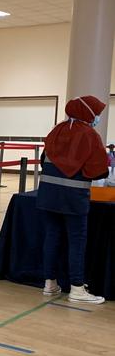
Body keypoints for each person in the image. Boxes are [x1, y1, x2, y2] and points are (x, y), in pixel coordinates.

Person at [38, 95, 109, 304]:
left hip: (48, 195)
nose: (97, 117)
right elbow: (99, 171)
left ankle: (49, 284)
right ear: (88, 113)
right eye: (96, 113)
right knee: (76, 241)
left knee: (52, 237)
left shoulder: (56, 131)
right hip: (73, 198)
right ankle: (77, 288)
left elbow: (44, 160)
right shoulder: (90, 135)